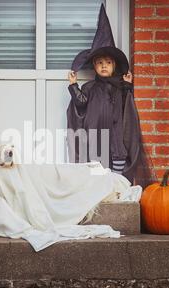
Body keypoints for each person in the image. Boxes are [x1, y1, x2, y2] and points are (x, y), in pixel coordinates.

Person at [66, 4, 156, 190]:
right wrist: (74, 85)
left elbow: (127, 108)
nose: (104, 66)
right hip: (96, 139)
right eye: (100, 63)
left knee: (117, 171)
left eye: (108, 62)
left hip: (116, 140)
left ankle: (117, 193)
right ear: (94, 66)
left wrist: (128, 86)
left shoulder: (119, 88)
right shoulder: (89, 88)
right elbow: (80, 105)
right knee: (97, 171)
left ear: (114, 65)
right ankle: (99, 194)